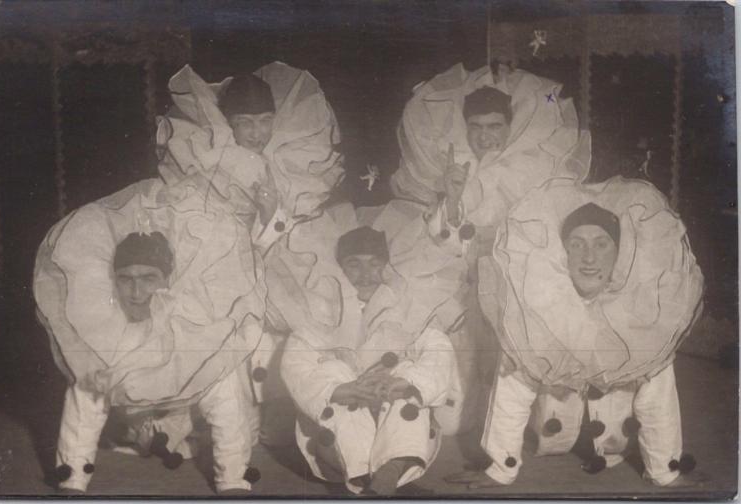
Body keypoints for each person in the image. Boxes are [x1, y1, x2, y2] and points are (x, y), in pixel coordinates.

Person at [444, 176, 704, 489]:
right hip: (550, 439)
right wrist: (501, 469)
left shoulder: (641, 318)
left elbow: (657, 401)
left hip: (613, 443)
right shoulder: (537, 308)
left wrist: (666, 472)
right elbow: (510, 394)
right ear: (561, 252)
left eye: (602, 244)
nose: (589, 258)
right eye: (577, 244)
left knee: (656, 365)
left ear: (619, 251)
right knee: (515, 359)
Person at [389, 62, 592, 435]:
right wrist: (451, 198)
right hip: (463, 272)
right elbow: (442, 237)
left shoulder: (532, 166)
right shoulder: (456, 166)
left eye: (495, 127)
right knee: (453, 416)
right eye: (477, 128)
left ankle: (528, 415)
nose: (485, 137)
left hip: (517, 273)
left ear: (510, 127)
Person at [33, 174, 266, 494]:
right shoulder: (103, 327)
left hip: (184, 411)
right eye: (125, 279)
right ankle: (73, 476)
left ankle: (229, 475)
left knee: (222, 378)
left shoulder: (191, 324)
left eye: (148, 279)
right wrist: (72, 482)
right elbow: (89, 392)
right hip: (135, 412)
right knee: (88, 382)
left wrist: (234, 484)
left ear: (168, 281)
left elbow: (226, 407)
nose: (136, 291)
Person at [155, 62, 344, 447]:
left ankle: (264, 416)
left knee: (307, 311)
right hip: (217, 260)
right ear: (228, 124)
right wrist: (266, 218)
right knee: (217, 322)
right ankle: (179, 422)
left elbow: (290, 225)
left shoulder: (284, 159)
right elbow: (215, 237)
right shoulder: (207, 160)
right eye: (246, 124)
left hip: (271, 255)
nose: (257, 134)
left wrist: (272, 214)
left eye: (264, 122)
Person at [279, 225, 455, 495]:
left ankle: (389, 470)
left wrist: (405, 382)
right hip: (338, 443)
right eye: (354, 265)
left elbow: (438, 349)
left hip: (401, 435)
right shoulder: (321, 308)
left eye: (375, 264)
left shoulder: (406, 305)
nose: (365, 275)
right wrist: (335, 390)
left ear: (386, 267)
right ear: (340, 269)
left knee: (407, 372)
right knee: (336, 369)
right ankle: (364, 477)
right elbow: (295, 361)